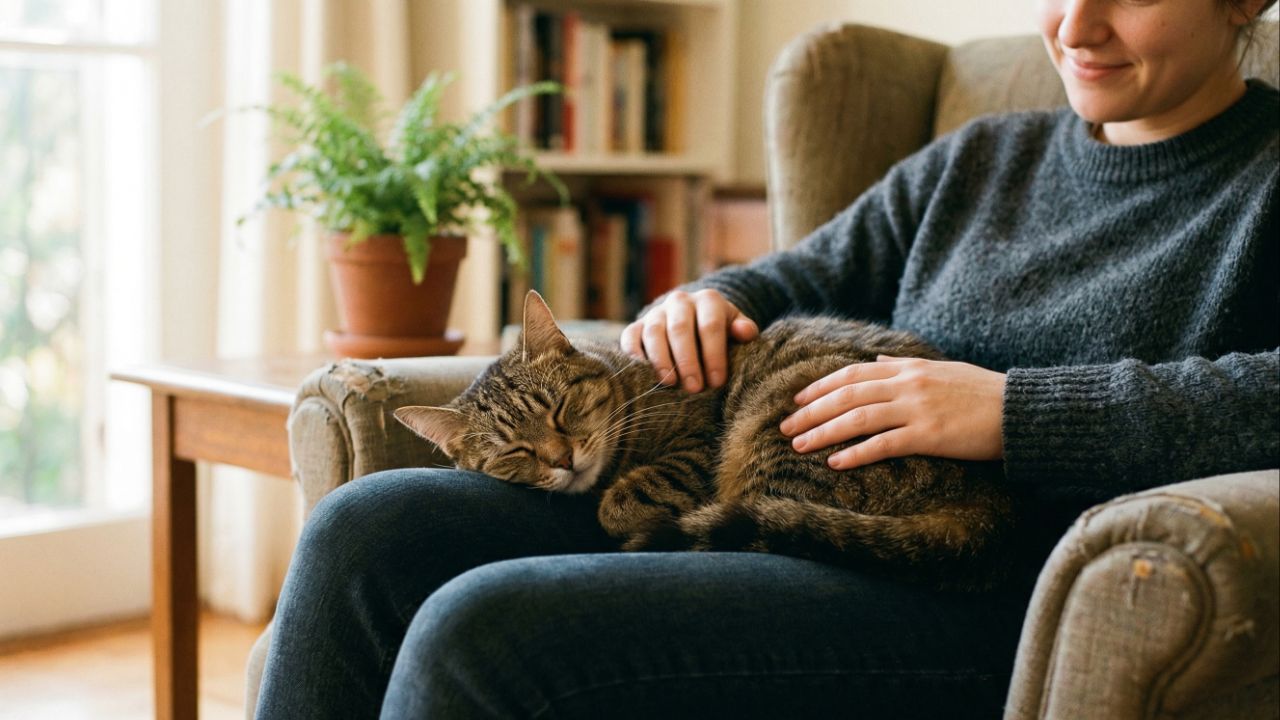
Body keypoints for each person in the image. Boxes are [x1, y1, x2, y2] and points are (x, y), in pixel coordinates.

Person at [255, 0, 1278, 717]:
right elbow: (790, 276)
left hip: (984, 586)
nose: (1074, 25)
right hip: (797, 497)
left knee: (482, 630)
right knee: (367, 528)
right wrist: (705, 304)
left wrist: (1016, 412)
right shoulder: (984, 156)